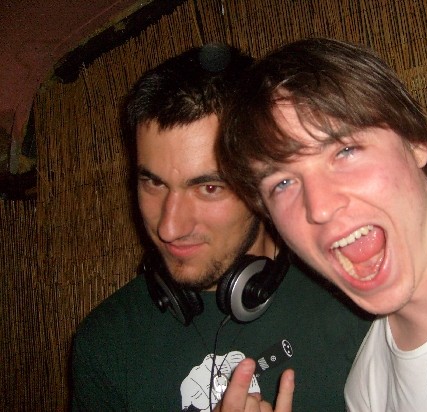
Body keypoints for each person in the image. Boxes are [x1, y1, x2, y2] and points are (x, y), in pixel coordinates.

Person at [216, 37, 427, 411]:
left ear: (415, 141)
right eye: (282, 183)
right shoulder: (367, 393)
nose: (319, 207)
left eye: (345, 150)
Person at [71, 43, 372, 411]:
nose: (169, 227)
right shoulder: (107, 343)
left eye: (209, 188)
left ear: (261, 180)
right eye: (154, 183)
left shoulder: (357, 306)